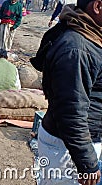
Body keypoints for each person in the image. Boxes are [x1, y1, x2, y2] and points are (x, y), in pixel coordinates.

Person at [38, 0, 102, 184]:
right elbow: (71, 113)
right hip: (66, 148)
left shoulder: (90, 37)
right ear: (97, 7)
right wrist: (87, 163)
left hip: (75, 143)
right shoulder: (77, 49)